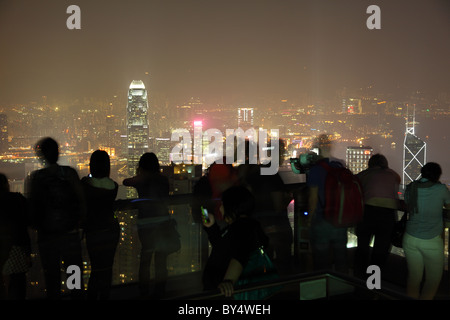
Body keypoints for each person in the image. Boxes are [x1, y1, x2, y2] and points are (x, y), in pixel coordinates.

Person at [25, 137, 86, 299]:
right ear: (58, 153)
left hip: (47, 238)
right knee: (75, 279)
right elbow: (82, 202)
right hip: (70, 236)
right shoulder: (70, 174)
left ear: (41, 156)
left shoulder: (36, 178)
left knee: (52, 281)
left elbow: (31, 211)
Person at [202, 185, 269, 297]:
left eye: (223, 204)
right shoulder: (239, 227)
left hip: (227, 294)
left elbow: (240, 255)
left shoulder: (243, 227)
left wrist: (228, 281)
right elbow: (223, 248)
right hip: (222, 292)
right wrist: (211, 227)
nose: (220, 208)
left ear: (231, 205)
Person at [123, 152, 170, 298]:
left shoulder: (141, 179)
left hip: (146, 224)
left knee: (145, 260)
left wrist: (139, 175)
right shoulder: (163, 180)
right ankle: (160, 292)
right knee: (161, 260)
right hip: (163, 223)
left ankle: (144, 293)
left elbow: (125, 182)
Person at [402, 162, 450, 300]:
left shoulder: (411, 187)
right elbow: (448, 205)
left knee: (414, 277)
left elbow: (407, 204)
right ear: (437, 175)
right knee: (433, 280)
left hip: (410, 238)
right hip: (432, 240)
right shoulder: (441, 189)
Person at [354, 154, 401, 278]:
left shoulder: (363, 175)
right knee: (381, 250)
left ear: (370, 164)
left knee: (362, 246)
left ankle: (359, 279)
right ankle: (374, 283)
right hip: (387, 213)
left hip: (368, 211)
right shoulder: (393, 175)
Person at [306, 134, 348, 273]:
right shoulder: (340, 165)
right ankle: (344, 289)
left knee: (321, 262)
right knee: (341, 260)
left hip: (322, 220)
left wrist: (309, 220)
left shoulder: (315, 170)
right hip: (340, 219)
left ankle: (323, 290)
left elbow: (312, 199)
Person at [81, 150, 119, 300]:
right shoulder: (113, 186)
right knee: (107, 268)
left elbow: (83, 185)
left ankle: (92, 297)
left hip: (94, 231)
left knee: (95, 269)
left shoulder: (86, 184)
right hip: (111, 231)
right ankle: (105, 296)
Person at [0, 173, 31, 300]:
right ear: (6, 185)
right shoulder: (17, 200)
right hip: (17, 249)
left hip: (5, 249)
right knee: (18, 284)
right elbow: (27, 223)